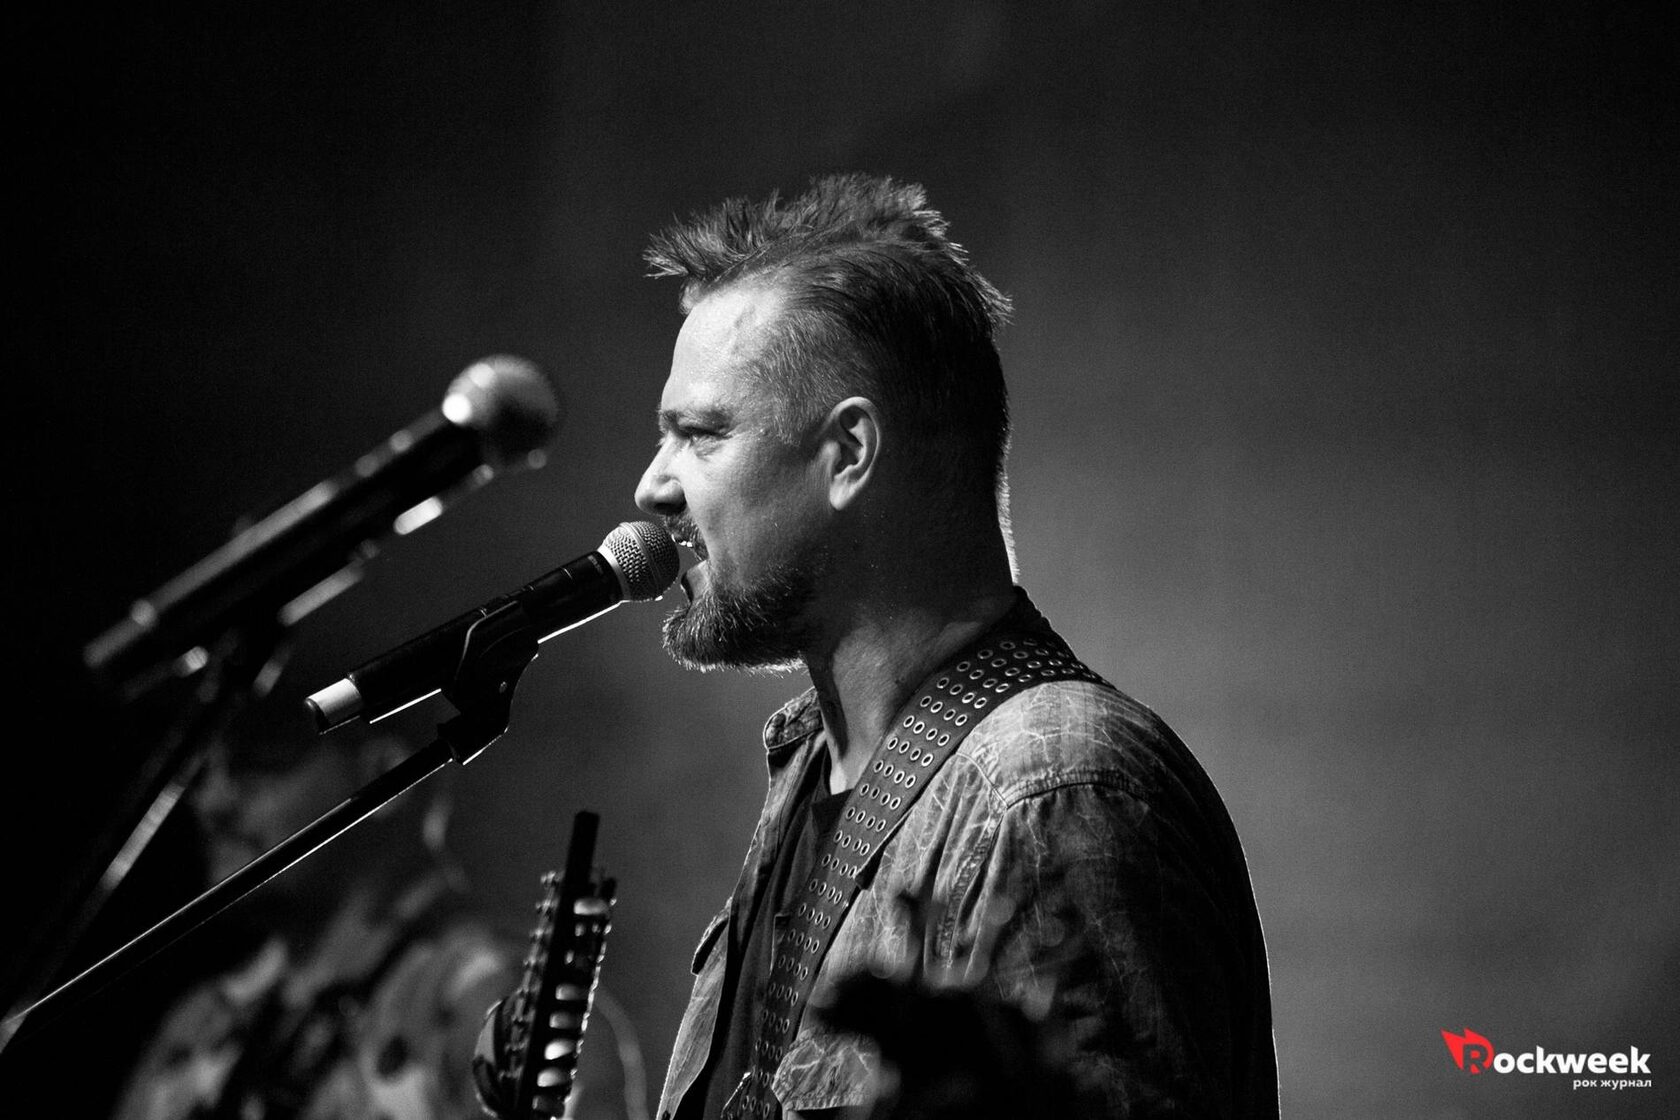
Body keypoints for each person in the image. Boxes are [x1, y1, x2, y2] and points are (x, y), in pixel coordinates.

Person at [479, 173, 1279, 1119]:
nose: (652, 487)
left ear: (851, 453)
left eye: (700, 434)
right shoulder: (813, 776)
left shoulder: (1052, 793)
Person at [110, 729, 517, 1120]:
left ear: (387, 774)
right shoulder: (200, 1022)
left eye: (258, 758)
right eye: (203, 770)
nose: (210, 802)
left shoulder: (490, 993)